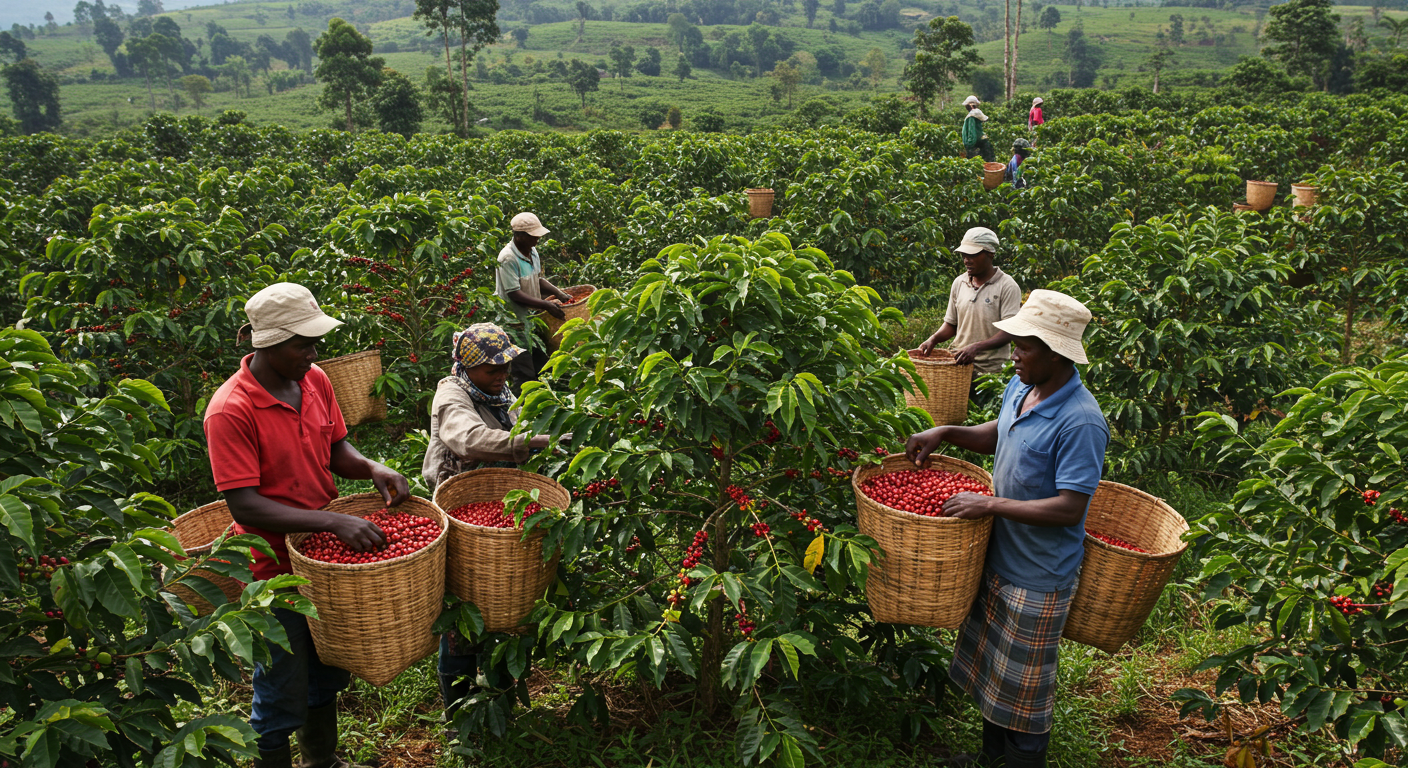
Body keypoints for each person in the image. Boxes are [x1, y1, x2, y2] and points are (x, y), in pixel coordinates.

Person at [204, 282, 411, 768]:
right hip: (273, 572)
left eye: (314, 343)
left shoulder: (314, 379)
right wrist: (333, 520)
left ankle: (323, 762)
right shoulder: (230, 410)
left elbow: (336, 448)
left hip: (321, 560)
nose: (313, 353)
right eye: (303, 344)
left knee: (324, 673)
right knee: (281, 685)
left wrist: (371, 467)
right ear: (268, 343)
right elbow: (245, 505)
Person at [905, 289, 1109, 768]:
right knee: (995, 678)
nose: (1013, 354)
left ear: (1056, 353)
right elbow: (999, 433)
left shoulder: (1081, 422)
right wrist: (945, 431)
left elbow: (1070, 508)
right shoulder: (1021, 387)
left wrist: (990, 504)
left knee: (1025, 695)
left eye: (1024, 347)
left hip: (1038, 575)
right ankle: (988, 758)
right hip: (997, 557)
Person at [422, 323, 568, 718]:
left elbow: (522, 422)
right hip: (461, 504)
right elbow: (467, 438)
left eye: (505, 366)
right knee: (462, 608)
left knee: (505, 603)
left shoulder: (502, 393)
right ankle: (458, 712)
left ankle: (501, 701)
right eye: (492, 369)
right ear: (468, 367)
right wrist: (534, 443)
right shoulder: (451, 394)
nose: (502, 374)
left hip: (502, 504)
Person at [918, 227, 1022, 394]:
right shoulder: (959, 283)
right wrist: (933, 339)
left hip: (990, 371)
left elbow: (1010, 331)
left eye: (972, 255)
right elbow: (951, 324)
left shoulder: (1007, 286)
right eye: (964, 255)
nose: (967, 260)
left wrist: (976, 347)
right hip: (959, 365)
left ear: (990, 254)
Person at [495, 212, 574, 392]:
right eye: (533, 236)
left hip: (533, 320)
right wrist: (546, 304)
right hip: (515, 323)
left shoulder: (532, 252)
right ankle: (521, 406)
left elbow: (537, 279)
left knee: (543, 366)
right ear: (519, 236)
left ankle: (544, 401)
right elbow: (514, 293)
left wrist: (559, 293)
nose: (537, 239)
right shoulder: (507, 258)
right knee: (524, 372)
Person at [961, 96, 996, 163]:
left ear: (970, 105)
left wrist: (969, 147)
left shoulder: (972, 116)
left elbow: (972, 133)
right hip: (984, 143)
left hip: (977, 145)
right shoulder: (978, 113)